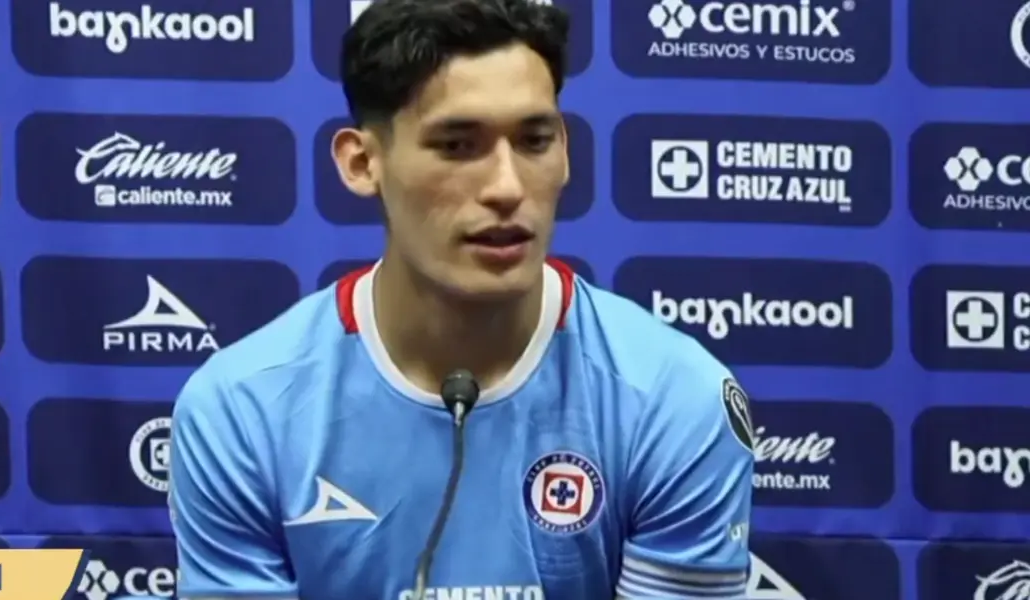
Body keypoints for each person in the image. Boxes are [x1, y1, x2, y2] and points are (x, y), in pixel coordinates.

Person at [168, 0, 754, 598]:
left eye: (533, 140)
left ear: (567, 150)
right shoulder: (241, 409)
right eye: (457, 145)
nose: (506, 187)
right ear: (362, 162)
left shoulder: (673, 398)